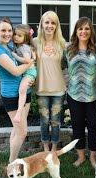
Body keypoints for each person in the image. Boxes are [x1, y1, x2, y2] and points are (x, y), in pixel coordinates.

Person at [0, 17, 33, 163]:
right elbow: (15, 71)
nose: (7, 33)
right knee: (22, 132)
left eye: (9, 30)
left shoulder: (8, 47)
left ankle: (12, 160)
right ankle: (12, 163)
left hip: (24, 92)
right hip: (12, 95)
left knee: (16, 129)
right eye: (3, 30)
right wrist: (31, 64)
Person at [66, 17, 96, 167]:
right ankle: (80, 156)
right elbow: (57, 65)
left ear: (91, 31)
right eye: (80, 28)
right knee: (77, 126)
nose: (83, 31)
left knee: (93, 127)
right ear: (76, 31)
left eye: (87, 28)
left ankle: (93, 156)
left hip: (92, 96)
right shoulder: (68, 50)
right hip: (74, 95)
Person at [33, 11, 66, 152]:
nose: (49, 25)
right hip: (41, 89)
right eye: (47, 22)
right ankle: (45, 146)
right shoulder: (35, 42)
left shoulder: (62, 43)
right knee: (45, 120)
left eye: (53, 22)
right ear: (41, 24)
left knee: (55, 120)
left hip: (58, 89)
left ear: (57, 25)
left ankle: (54, 148)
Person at [11, 24, 37, 123]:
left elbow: (27, 61)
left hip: (29, 72)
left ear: (25, 38)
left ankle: (19, 113)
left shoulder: (24, 47)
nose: (16, 37)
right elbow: (33, 57)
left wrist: (14, 55)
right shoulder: (18, 46)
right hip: (25, 72)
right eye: (15, 34)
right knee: (22, 90)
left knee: (22, 90)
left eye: (19, 35)